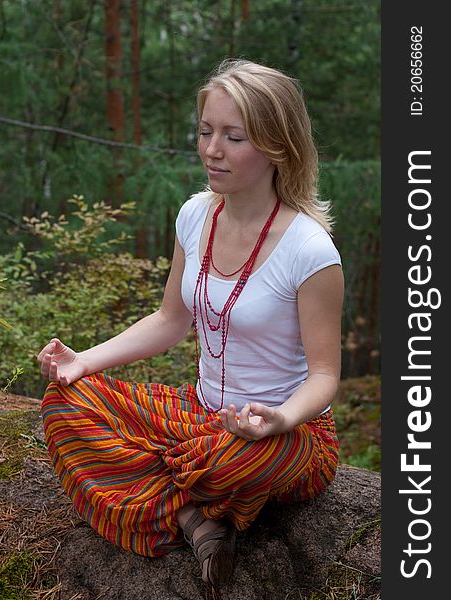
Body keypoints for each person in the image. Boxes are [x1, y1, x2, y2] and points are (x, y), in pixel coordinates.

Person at [38, 59, 344, 594]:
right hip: (198, 415)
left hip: (284, 435)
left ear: (276, 144)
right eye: (206, 131)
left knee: (229, 460)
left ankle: (174, 493)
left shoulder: (311, 250)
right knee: (66, 401)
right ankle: (197, 520)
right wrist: (82, 360)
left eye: (233, 136)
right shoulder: (195, 216)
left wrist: (279, 418)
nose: (212, 149)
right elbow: (170, 320)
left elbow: (324, 376)